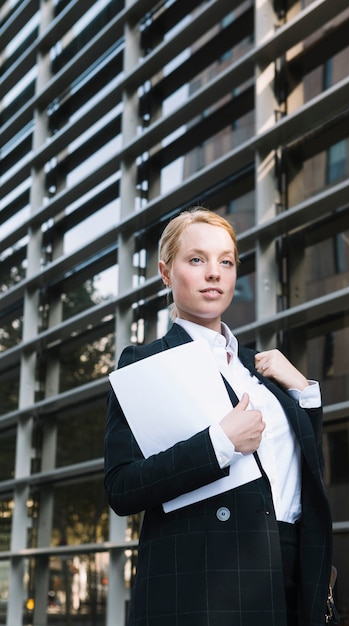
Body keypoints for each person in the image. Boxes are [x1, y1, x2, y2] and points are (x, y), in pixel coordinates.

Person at [104, 207, 333, 626]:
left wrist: (303, 392)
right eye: (197, 260)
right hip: (211, 581)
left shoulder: (261, 366)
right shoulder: (145, 363)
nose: (214, 273)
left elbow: (302, 472)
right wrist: (219, 443)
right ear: (166, 272)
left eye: (225, 261)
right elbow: (122, 488)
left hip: (291, 569)